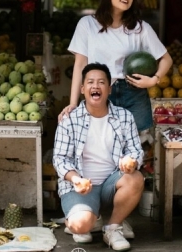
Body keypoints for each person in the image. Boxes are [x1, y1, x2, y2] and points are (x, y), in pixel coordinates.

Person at [58, 0, 173, 141]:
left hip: (134, 92)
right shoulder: (87, 24)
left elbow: (166, 59)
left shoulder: (140, 28)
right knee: (101, 145)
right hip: (100, 92)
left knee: (136, 147)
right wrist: (73, 103)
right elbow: (80, 64)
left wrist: (154, 80)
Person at [54, 63, 145, 251]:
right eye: (90, 82)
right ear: (82, 89)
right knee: (80, 226)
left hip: (111, 184)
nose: (96, 86)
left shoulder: (124, 117)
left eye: (102, 82)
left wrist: (131, 162)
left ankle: (112, 228)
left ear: (109, 89)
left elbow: (136, 150)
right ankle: (88, 217)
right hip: (79, 186)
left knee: (135, 178)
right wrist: (76, 179)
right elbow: (60, 159)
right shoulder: (69, 120)